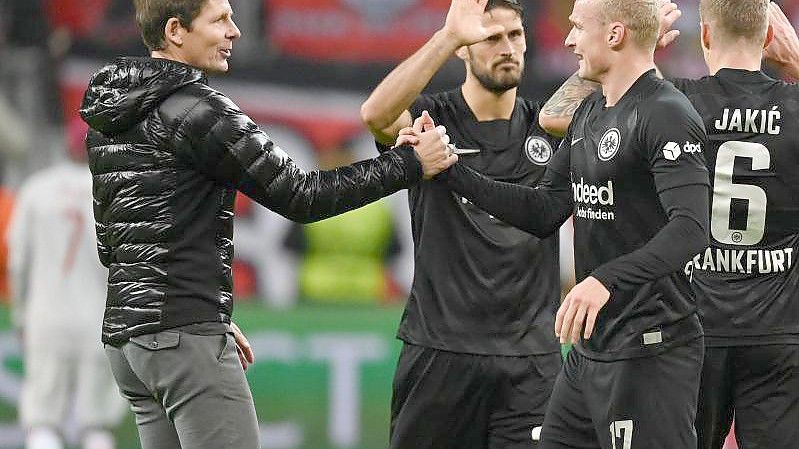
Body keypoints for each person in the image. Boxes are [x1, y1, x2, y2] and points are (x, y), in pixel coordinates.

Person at [79, 0, 456, 448]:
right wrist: (409, 163)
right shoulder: (199, 109)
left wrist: (201, 309)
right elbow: (301, 194)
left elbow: (113, 244)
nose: (235, 31)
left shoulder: (109, 115)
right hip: (183, 337)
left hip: (130, 341)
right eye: (220, 19)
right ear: (176, 30)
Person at [437, 0, 712, 448]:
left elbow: (691, 229)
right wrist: (450, 171)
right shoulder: (589, 113)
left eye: (578, 27)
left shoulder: (666, 112)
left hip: (650, 351)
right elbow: (544, 209)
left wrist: (604, 279)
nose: (568, 40)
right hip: (590, 351)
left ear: (615, 35)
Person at [539, 2, 799, 448]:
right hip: (778, 333)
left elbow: (553, 115)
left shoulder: (676, 101)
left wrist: (639, 47)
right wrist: (795, 60)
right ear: (770, 38)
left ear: (706, 37)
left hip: (695, 324)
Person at [360, 0, 563, 447]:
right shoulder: (431, 121)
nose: (507, 48)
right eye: (491, 38)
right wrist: (448, 35)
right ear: (465, 50)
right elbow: (375, 116)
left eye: (515, 35)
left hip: (531, 362)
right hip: (441, 352)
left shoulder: (548, 127)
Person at [7, 118, 127, 449]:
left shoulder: (36, 189)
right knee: (96, 425)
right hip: (100, 320)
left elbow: (18, 261)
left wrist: (21, 314)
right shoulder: (115, 194)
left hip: (46, 316)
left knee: (44, 420)